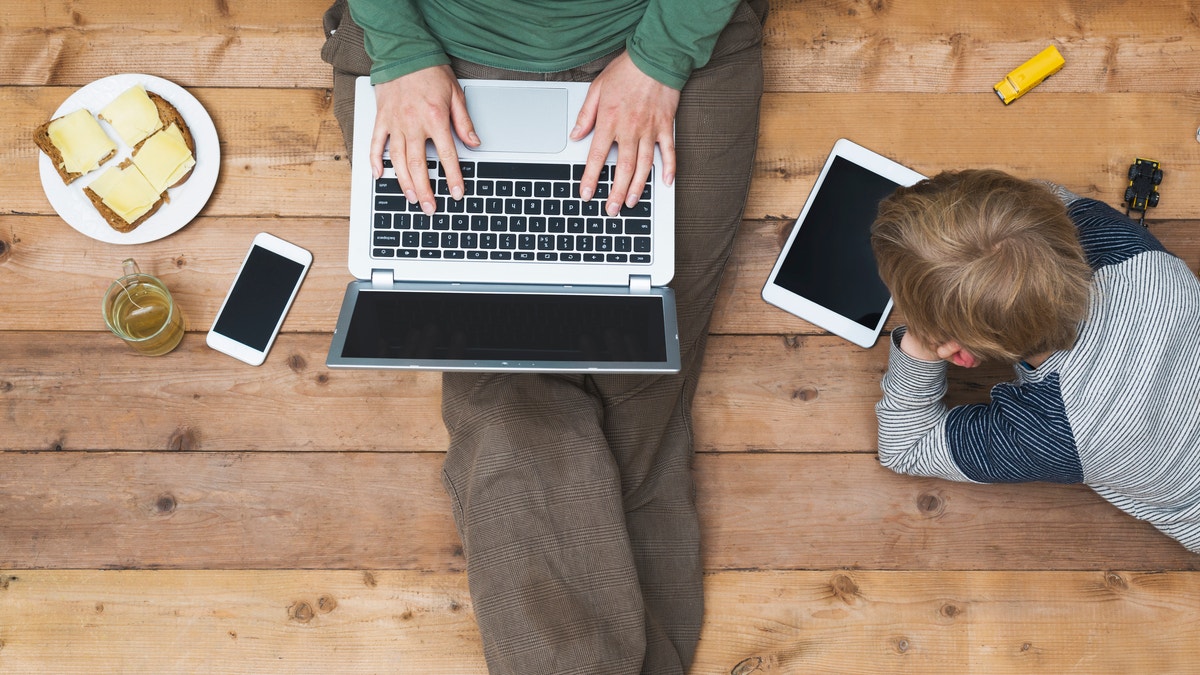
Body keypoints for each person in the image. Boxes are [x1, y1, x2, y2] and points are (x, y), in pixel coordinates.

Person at [320, 1, 768, 673]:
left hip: (666, 34)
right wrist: (402, 49)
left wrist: (659, 56)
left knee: (639, 380)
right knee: (503, 394)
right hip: (438, 40)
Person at [870, 169, 1200, 554]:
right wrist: (966, 216)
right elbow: (1050, 195)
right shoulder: (1127, 248)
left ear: (963, 353)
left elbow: (904, 447)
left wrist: (920, 347)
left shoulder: (1052, 431)